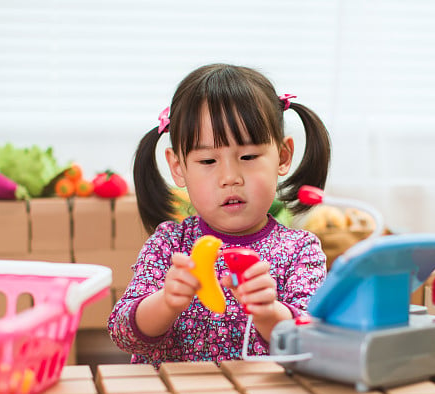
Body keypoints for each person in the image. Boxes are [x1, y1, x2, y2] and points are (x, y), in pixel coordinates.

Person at [108, 63, 332, 366]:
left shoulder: (300, 250)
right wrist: (165, 303)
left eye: (249, 157)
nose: (230, 177)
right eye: (208, 160)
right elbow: (123, 333)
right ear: (178, 167)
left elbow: (315, 343)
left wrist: (268, 312)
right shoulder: (169, 245)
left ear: (282, 157)